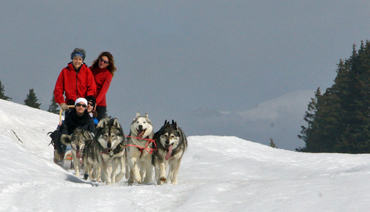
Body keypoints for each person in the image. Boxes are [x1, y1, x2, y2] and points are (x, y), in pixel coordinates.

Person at [54, 48, 97, 112]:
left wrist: (88, 99)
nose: (77, 61)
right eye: (75, 59)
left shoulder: (87, 71)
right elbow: (58, 89)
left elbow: (92, 87)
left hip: (83, 105)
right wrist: (61, 102)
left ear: (82, 60)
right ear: (72, 59)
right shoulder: (65, 71)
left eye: (80, 59)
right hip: (70, 104)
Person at [54, 98, 95, 162]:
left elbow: (92, 132)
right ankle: (67, 154)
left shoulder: (89, 120)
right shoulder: (69, 117)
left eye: (83, 106)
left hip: (83, 140)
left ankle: (84, 157)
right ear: (75, 106)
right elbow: (65, 129)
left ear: (85, 108)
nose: (81, 107)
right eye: (79, 105)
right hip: (70, 138)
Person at [90, 52, 117, 121]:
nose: (102, 63)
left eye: (105, 62)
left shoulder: (108, 75)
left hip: (99, 104)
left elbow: (103, 91)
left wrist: (95, 103)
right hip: (88, 100)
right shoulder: (90, 70)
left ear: (108, 64)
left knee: (98, 126)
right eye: (101, 60)